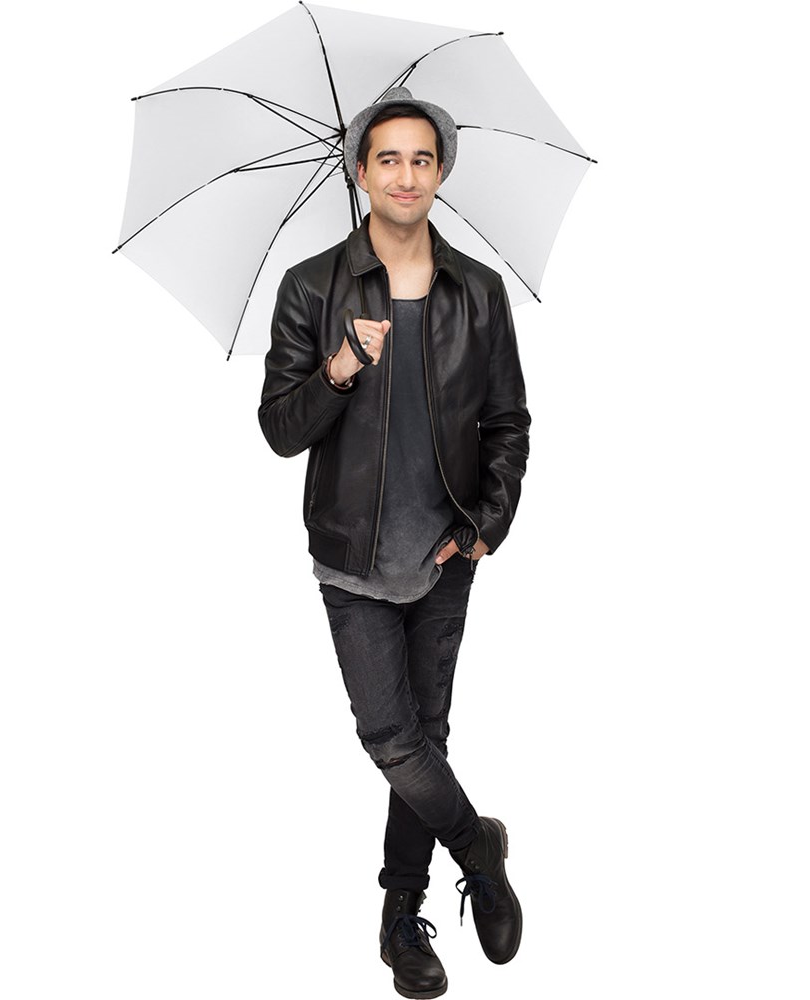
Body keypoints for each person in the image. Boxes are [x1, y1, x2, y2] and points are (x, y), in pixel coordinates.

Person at [258, 86, 530, 998]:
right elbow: (279, 430)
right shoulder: (312, 287)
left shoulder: (478, 291)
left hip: (445, 555)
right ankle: (478, 848)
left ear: (440, 172)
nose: (406, 175)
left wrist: (487, 525)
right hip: (352, 558)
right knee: (390, 736)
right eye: (389, 159)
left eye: (422, 158)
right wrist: (337, 370)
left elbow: (508, 422)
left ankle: (400, 914)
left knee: (428, 736)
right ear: (361, 173)